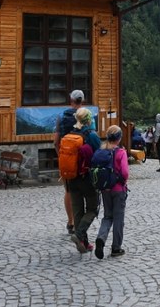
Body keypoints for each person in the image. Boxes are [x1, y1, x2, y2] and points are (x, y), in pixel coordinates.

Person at [68, 107, 101, 253]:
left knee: (78, 211)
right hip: (87, 177)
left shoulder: (70, 133)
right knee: (93, 209)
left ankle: (83, 244)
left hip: (71, 177)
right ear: (88, 119)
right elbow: (99, 155)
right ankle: (79, 234)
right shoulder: (91, 135)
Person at [94, 125, 129, 259]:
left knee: (107, 216)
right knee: (118, 218)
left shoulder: (102, 151)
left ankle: (101, 238)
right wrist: (124, 181)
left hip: (105, 189)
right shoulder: (121, 152)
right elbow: (125, 172)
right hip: (118, 189)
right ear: (119, 138)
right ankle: (116, 247)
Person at [54, 89, 83, 235]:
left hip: (66, 158)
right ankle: (79, 223)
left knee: (68, 191)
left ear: (71, 100)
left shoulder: (61, 116)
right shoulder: (85, 116)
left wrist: (61, 156)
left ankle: (70, 222)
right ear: (82, 100)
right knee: (82, 190)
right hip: (81, 159)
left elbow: (55, 141)